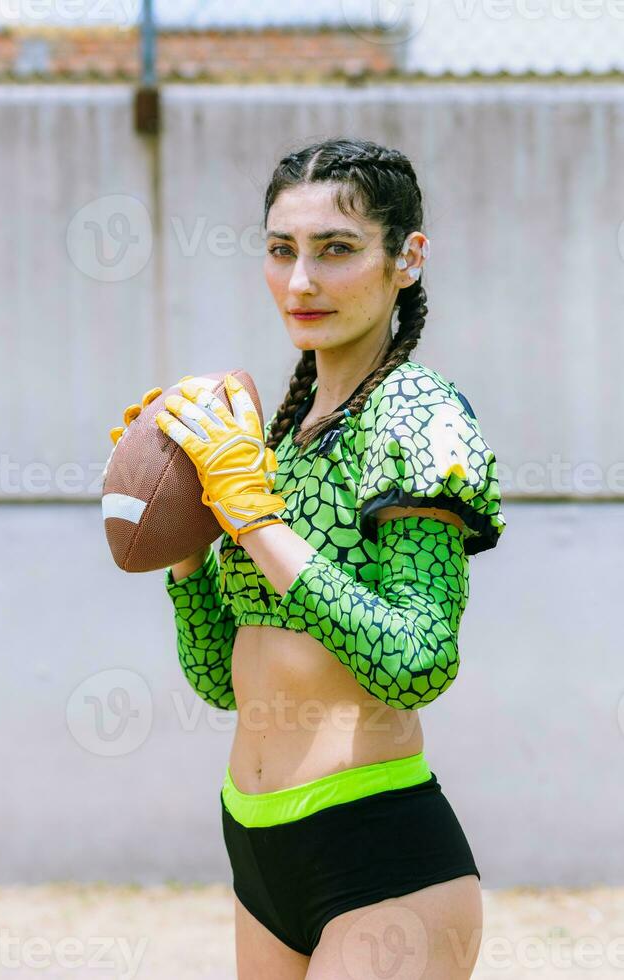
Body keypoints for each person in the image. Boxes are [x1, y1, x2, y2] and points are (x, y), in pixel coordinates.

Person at [112, 138, 506, 979]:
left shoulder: (416, 413)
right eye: (282, 251)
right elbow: (221, 678)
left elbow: (418, 661)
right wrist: (190, 537)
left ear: (407, 260)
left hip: (377, 851)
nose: (301, 282)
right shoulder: (276, 439)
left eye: (336, 250)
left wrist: (252, 519)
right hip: (256, 846)